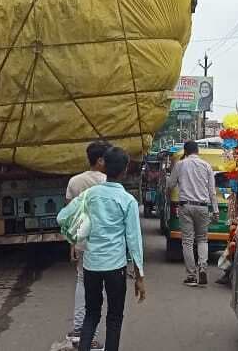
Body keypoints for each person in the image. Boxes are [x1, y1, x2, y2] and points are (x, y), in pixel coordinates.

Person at [58, 147, 147, 351]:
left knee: (91, 314)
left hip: (91, 265)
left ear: (104, 166)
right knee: (114, 317)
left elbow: (62, 217)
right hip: (116, 267)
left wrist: (80, 230)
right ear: (125, 170)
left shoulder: (89, 195)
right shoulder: (127, 201)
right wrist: (139, 276)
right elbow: (134, 240)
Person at [64, 141, 112, 347]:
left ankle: (78, 329)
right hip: (106, 243)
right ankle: (89, 337)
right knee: (99, 289)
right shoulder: (109, 182)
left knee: (82, 282)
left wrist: (72, 243)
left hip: (83, 240)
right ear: (101, 160)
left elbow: (70, 216)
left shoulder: (75, 182)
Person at [167, 140, 219, 286]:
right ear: (197, 151)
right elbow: (212, 191)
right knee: (202, 239)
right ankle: (203, 266)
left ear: (186, 152)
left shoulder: (180, 164)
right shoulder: (206, 166)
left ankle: (191, 276)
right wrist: (215, 210)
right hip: (203, 207)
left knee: (188, 241)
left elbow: (170, 184)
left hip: (186, 206)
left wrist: (169, 194)